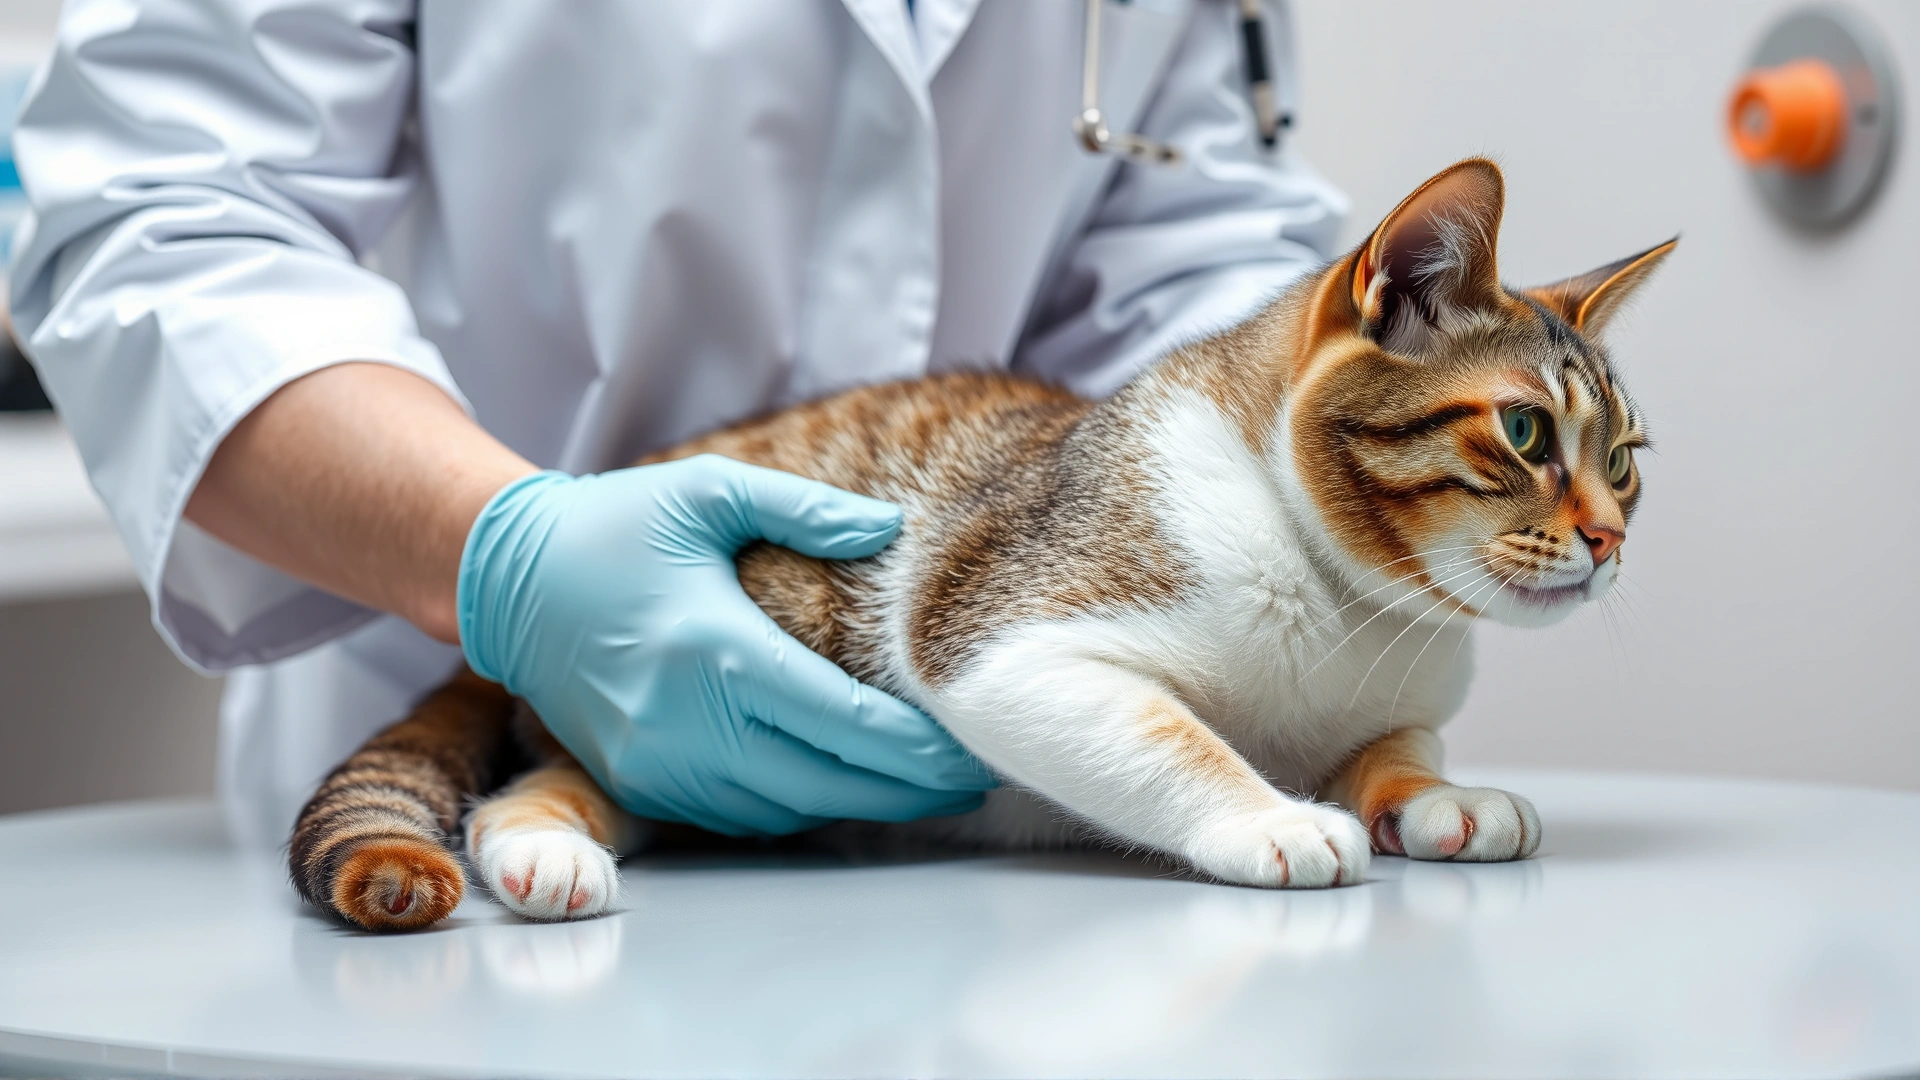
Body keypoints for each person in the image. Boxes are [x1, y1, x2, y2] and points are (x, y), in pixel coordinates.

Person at [7, 0, 1346, 848]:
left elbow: (1195, 238)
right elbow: (158, 215)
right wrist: (503, 559)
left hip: (998, 804)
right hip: (483, 757)